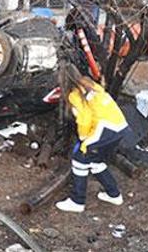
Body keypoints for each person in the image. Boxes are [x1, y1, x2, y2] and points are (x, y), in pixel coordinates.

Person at [55, 64, 129, 213]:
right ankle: (113, 194)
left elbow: (84, 119)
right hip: (120, 126)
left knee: (79, 159)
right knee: (95, 160)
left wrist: (83, 139)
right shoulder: (90, 85)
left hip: (105, 129)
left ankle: (77, 201)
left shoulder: (74, 94)